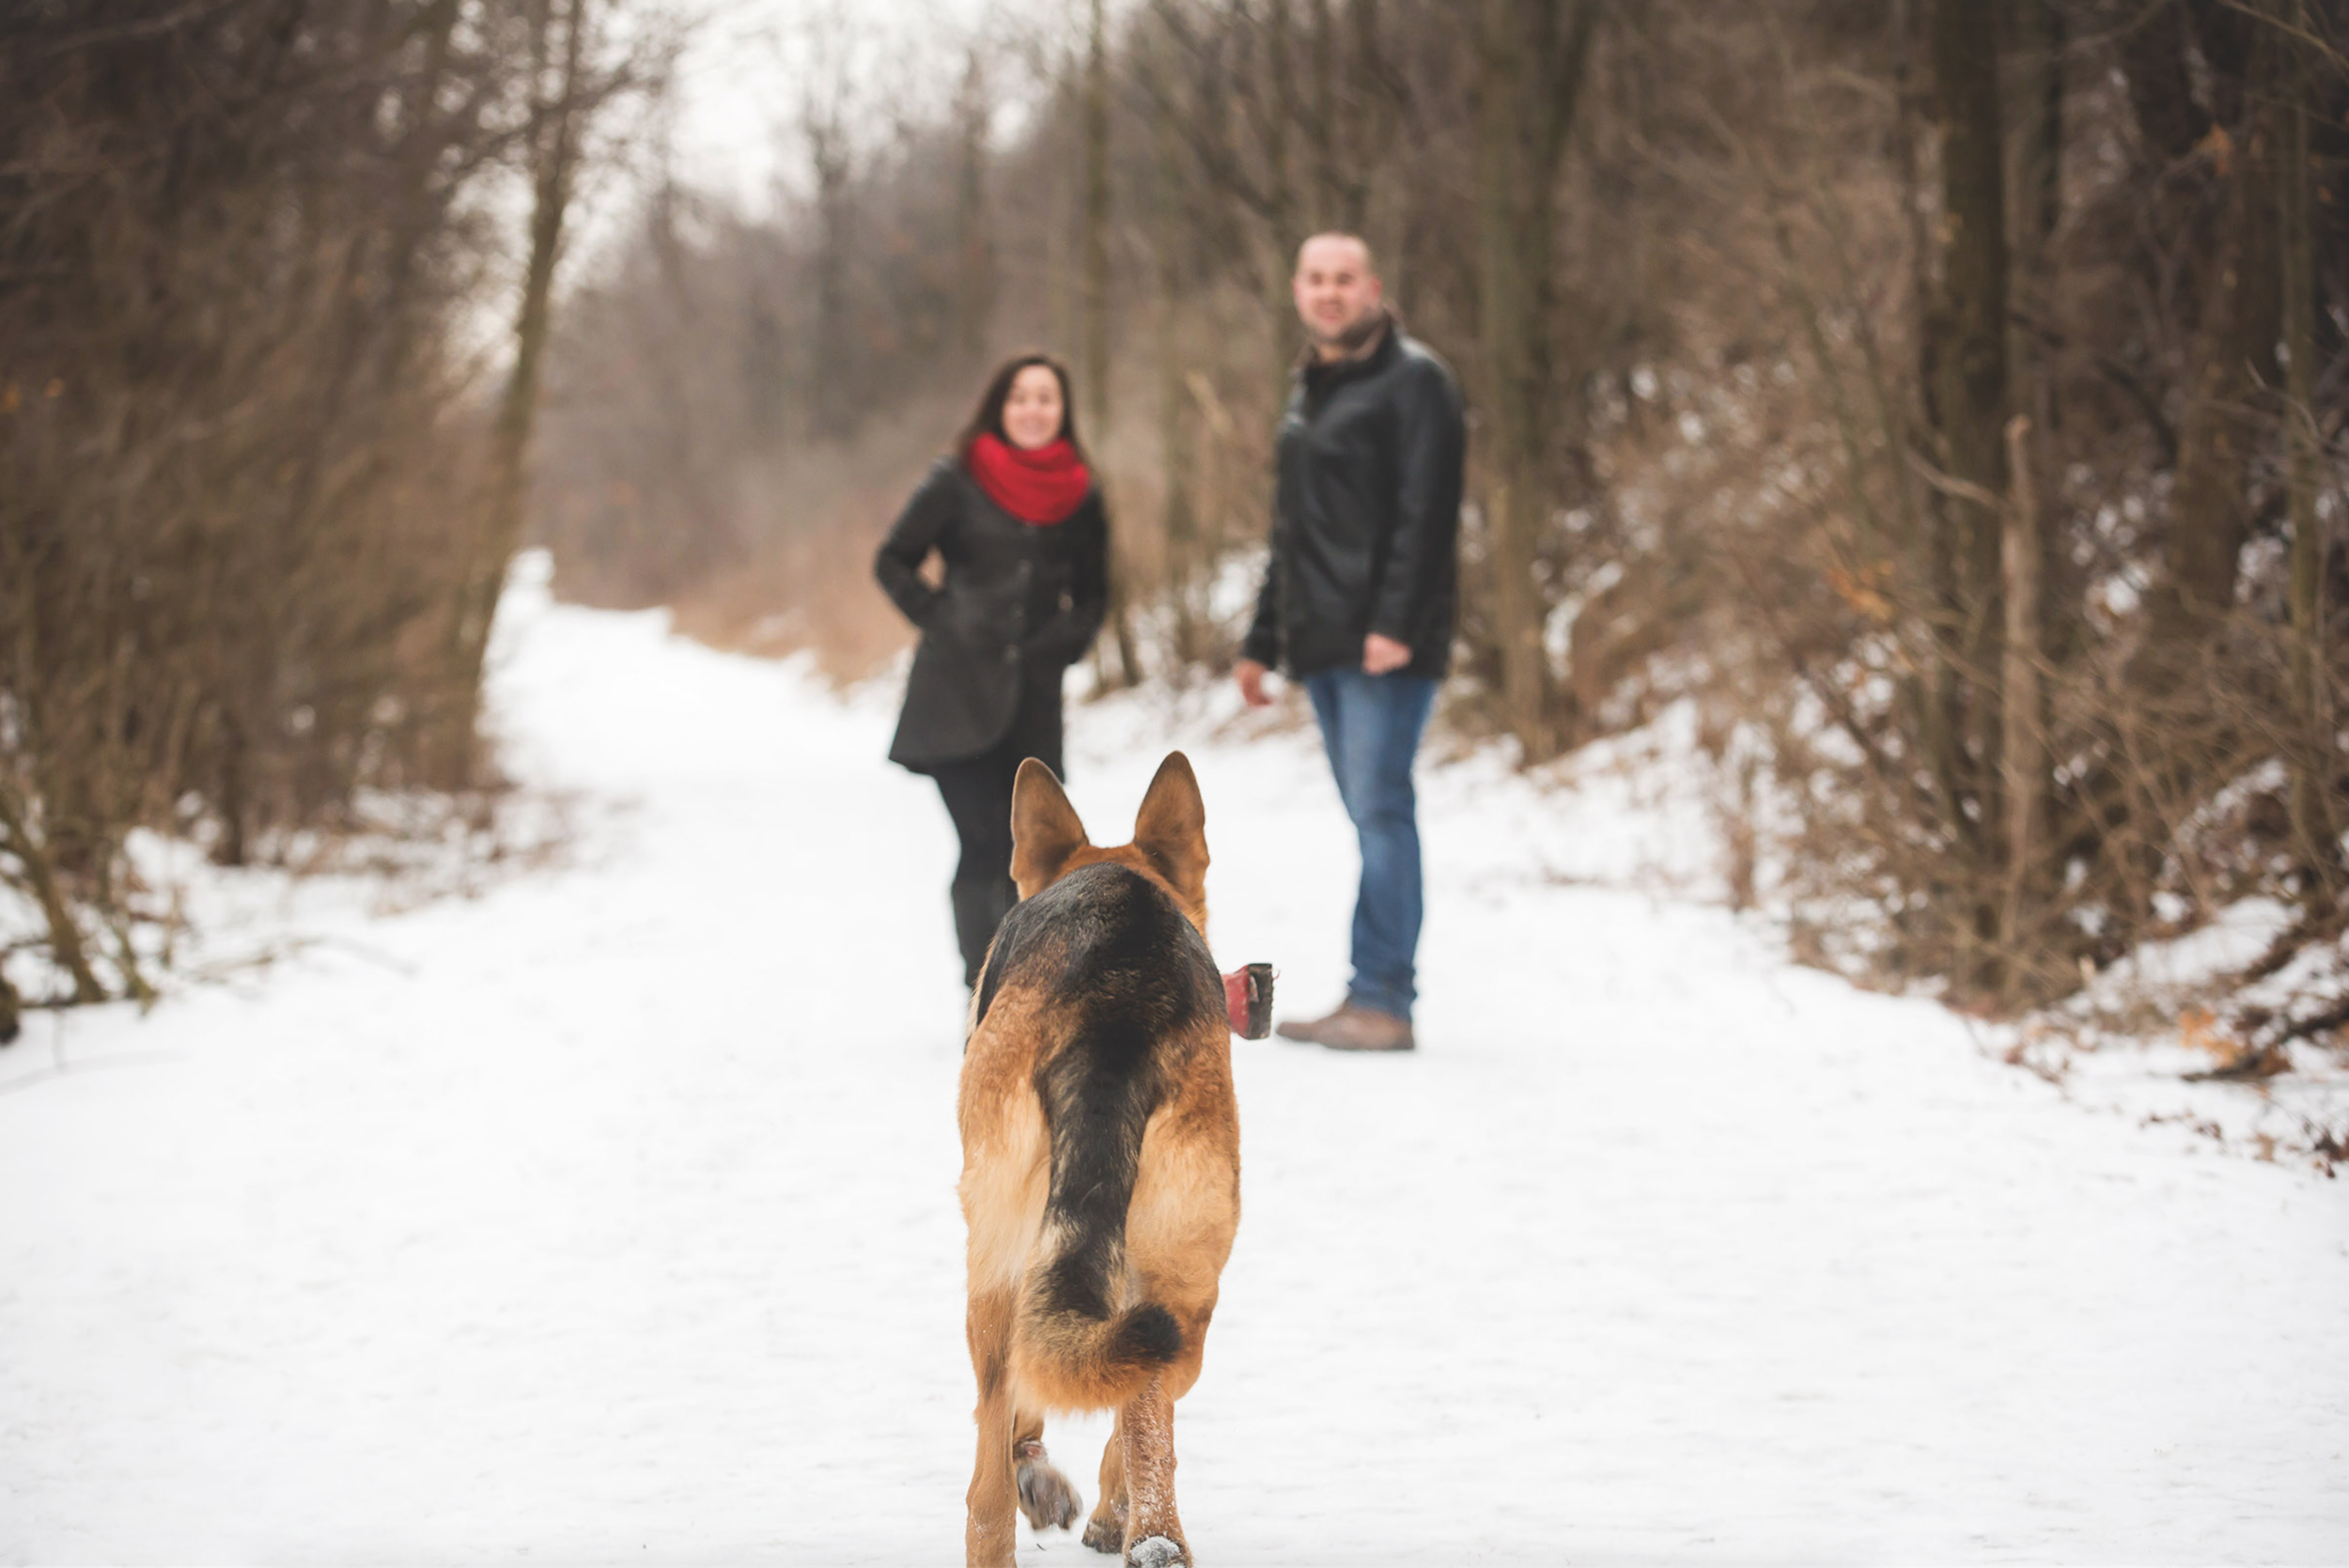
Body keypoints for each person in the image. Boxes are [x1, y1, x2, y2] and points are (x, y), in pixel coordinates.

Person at [1234, 233, 1466, 1053]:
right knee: (1368, 814)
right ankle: (1368, 992)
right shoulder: (1313, 384)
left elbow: (1427, 515)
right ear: (1298, 288)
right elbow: (1289, 529)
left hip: (1383, 645)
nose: (1329, 293)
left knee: (1381, 811)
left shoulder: (1416, 382)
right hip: (1323, 641)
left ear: (1371, 286)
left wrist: (1395, 625)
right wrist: (1262, 640)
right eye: (1315, 279)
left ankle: (1383, 1000)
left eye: (1343, 279)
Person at [877, 353, 1108, 987]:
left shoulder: (1081, 492)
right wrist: (944, 619)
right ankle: (984, 989)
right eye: (1020, 397)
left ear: (1063, 412)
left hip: (1032, 702)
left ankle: (1022, 989)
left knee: (1032, 854)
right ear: (999, 408)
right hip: (953, 697)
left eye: (1046, 398)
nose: (1033, 409)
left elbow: (1094, 595)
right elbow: (893, 560)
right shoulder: (958, 478)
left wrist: (1062, 645)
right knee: (983, 844)